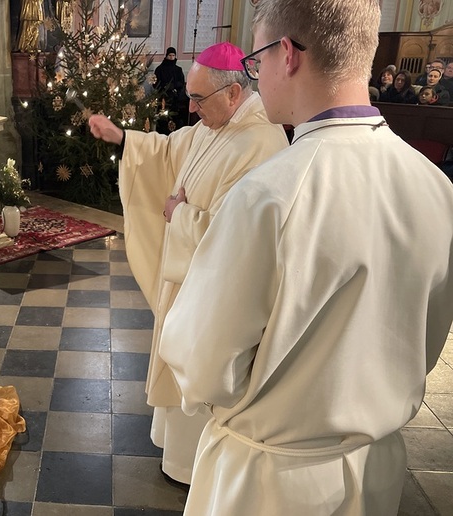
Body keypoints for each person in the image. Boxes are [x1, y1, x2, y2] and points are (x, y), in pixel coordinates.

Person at [159, 0, 453, 514]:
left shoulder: (269, 195)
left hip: (272, 482)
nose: (257, 76)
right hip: (377, 469)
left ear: (287, 54)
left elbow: (203, 363)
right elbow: (425, 336)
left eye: (257, 61)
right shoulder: (436, 186)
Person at [88, 42, 288, 487]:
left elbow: (235, 235)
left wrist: (179, 213)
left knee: (200, 368)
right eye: (190, 99)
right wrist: (122, 137)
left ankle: (193, 464)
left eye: (199, 99)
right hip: (186, 281)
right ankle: (173, 448)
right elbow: (170, 150)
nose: (192, 110)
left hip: (216, 292)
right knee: (176, 360)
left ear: (234, 93)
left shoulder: (261, 142)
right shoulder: (215, 124)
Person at [154, 47, 186, 131]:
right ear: (166, 56)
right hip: (164, 99)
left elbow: (181, 83)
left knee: (176, 120)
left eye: (173, 55)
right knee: (163, 121)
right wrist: (165, 87)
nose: (171, 58)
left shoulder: (178, 70)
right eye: (170, 55)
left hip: (175, 100)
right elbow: (156, 83)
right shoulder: (160, 69)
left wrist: (174, 86)